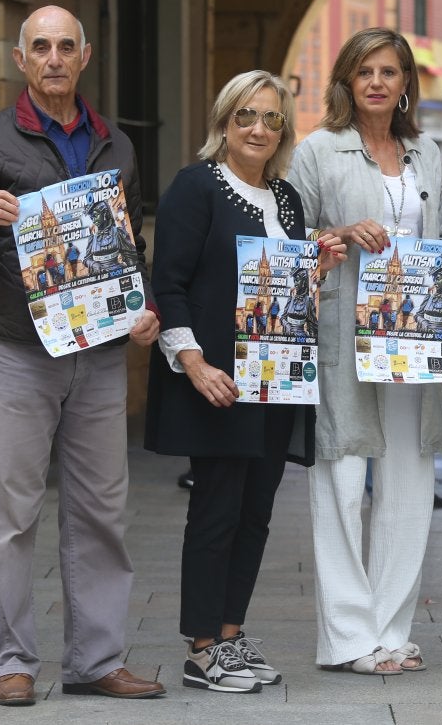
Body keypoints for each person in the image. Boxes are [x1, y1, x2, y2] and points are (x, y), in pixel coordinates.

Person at [0, 5, 164, 706]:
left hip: (96, 355)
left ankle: (96, 658)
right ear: (20, 58)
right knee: (14, 512)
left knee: (101, 511)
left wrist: (142, 308)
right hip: (19, 351)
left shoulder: (117, 146)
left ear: (85, 56)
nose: (55, 58)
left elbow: (130, 249)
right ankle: (13, 661)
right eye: (41, 47)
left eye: (67, 46)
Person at [144, 70, 346, 693]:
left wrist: (319, 264)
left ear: (283, 129)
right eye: (245, 117)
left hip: (278, 379)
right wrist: (194, 363)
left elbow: (281, 282)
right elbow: (169, 281)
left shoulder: (286, 198)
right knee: (216, 511)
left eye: (271, 119)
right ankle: (201, 646)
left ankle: (230, 635)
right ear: (224, 123)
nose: (258, 129)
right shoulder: (195, 186)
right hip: (221, 382)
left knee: (256, 514)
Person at [288, 27, 442, 675]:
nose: (377, 81)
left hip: (414, 335)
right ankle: (347, 638)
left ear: (405, 84)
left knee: (409, 478)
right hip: (344, 333)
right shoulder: (317, 150)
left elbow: (433, 230)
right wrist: (338, 232)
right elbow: (289, 239)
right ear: (346, 79)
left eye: (389, 71)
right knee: (341, 476)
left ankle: (391, 630)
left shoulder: (427, 151)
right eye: (365, 70)